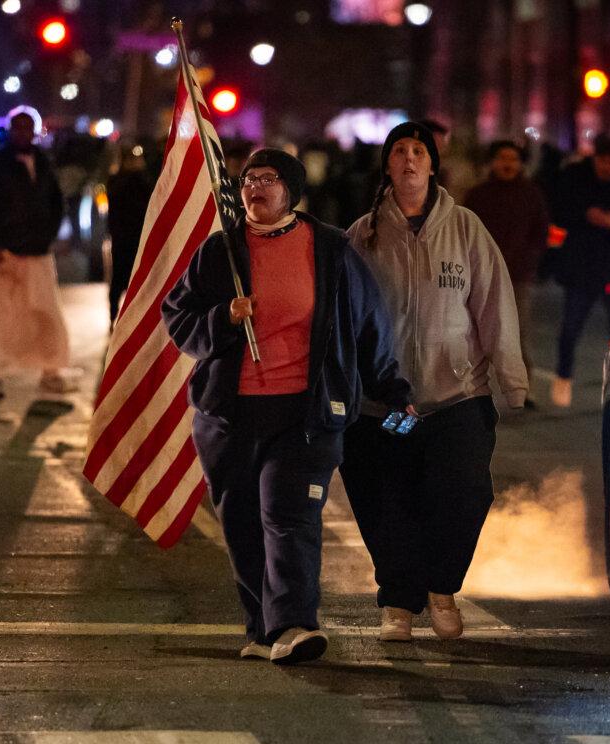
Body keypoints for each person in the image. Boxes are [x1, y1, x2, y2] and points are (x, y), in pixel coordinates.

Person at [162, 149, 411, 665]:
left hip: (306, 413)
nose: (255, 188)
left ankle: (295, 624)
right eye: (248, 180)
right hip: (230, 416)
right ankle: (262, 629)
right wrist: (222, 320)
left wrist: (392, 388)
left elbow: (370, 326)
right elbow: (178, 317)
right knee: (244, 523)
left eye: (268, 179)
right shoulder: (220, 252)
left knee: (289, 515)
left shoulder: (331, 250)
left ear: (291, 189)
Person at [340, 122, 527, 642]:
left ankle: (441, 588)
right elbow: (345, 317)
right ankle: (398, 603)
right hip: (389, 406)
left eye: (418, 151)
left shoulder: (466, 228)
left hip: (455, 399)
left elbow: (494, 305)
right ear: (386, 165)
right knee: (388, 498)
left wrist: (511, 380)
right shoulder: (363, 235)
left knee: (464, 492)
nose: (408, 159)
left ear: (432, 164)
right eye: (398, 150)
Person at [0, 110, 74, 398]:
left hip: (36, 252)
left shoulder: (43, 162)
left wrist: (47, 237)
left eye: (29, 128)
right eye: (18, 128)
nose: (23, 134)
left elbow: (55, 204)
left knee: (45, 313)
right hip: (1, 254)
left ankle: (50, 370)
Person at [550, 133, 610, 407]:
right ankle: (563, 375)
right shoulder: (576, 178)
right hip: (581, 265)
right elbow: (558, 211)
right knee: (570, 327)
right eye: (602, 160)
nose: (607, 167)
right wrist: (585, 215)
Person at [464, 140, 550, 405]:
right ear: (492, 162)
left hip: (517, 275)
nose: (507, 164)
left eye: (513, 159)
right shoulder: (477, 195)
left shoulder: (531, 194)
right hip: (479, 276)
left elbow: (541, 232)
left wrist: (530, 258)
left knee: (518, 332)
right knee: (471, 332)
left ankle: (524, 389)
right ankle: (467, 388)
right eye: (502, 158)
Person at [105, 143, 153, 325]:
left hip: (140, 237)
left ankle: (136, 319)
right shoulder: (118, 180)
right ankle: (113, 316)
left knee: (139, 281)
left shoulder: (144, 180)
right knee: (118, 278)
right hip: (122, 238)